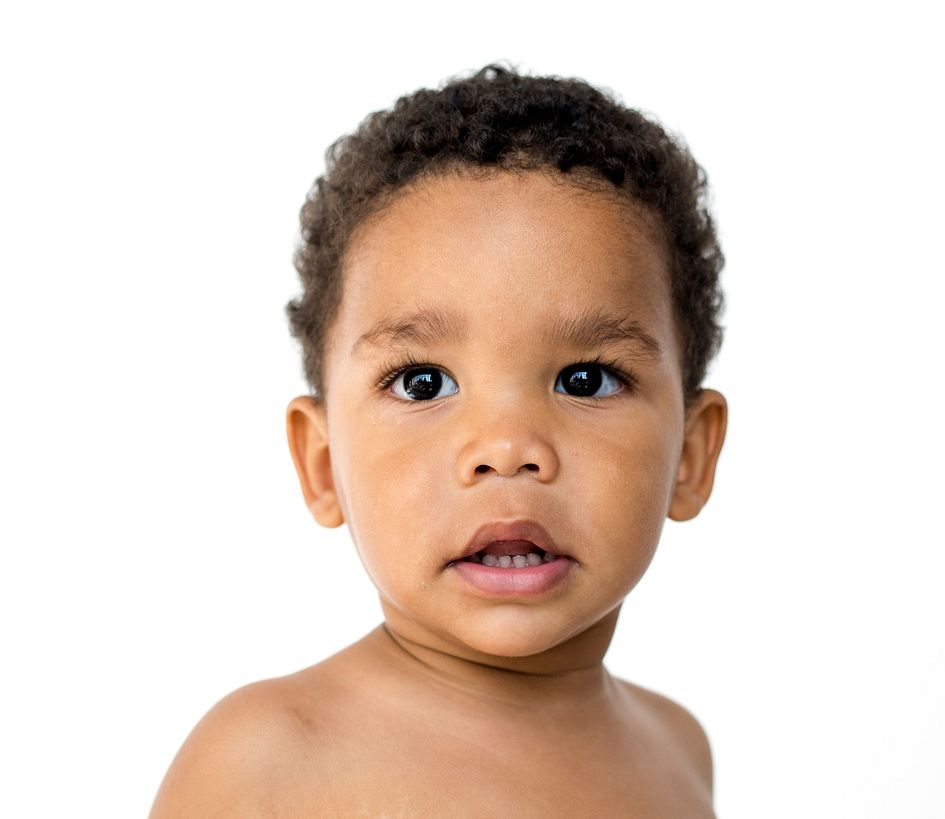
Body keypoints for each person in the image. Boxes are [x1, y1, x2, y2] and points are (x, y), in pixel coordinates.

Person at [150, 65, 728, 818]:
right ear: (322, 465)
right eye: (423, 382)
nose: (508, 447)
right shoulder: (270, 761)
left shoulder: (677, 749)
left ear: (691, 454)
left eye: (586, 379)